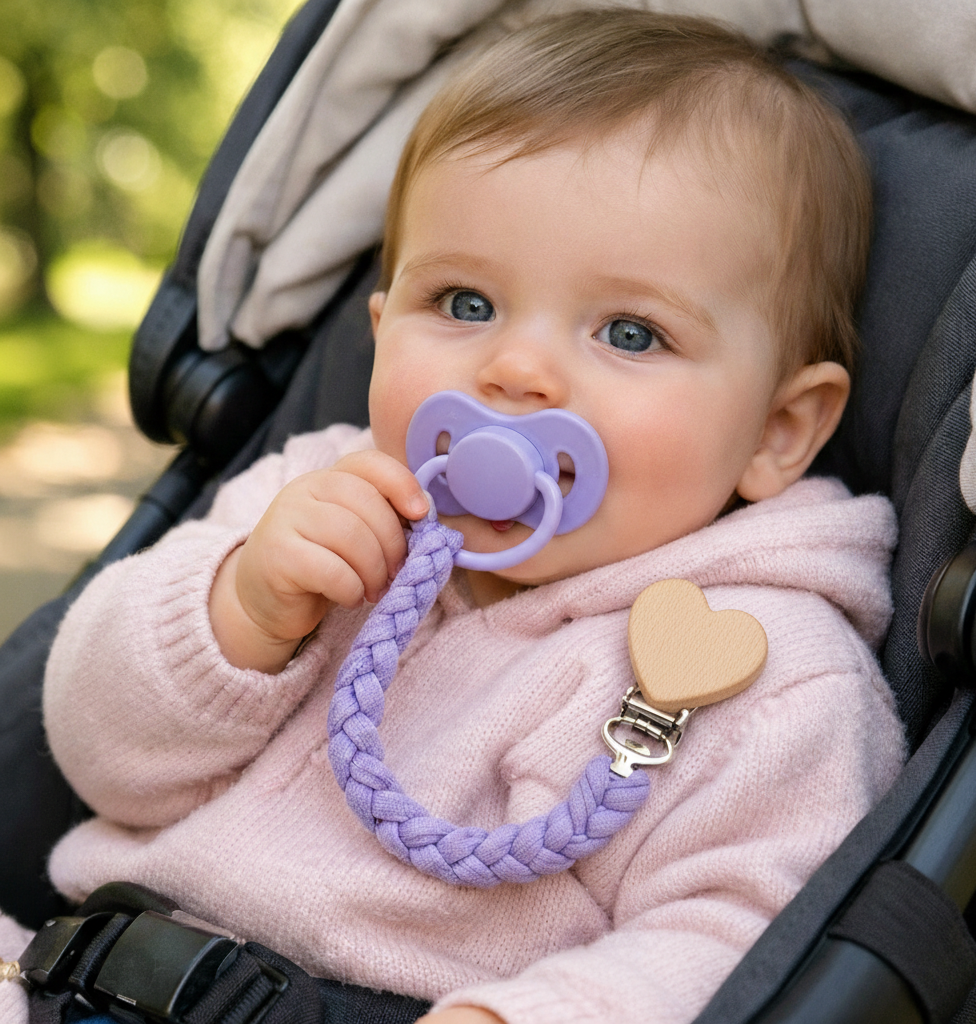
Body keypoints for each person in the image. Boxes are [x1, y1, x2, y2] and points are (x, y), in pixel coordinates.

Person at [2, 10, 906, 1024]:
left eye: (629, 331)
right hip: (79, 964)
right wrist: (238, 613)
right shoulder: (316, 496)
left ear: (777, 430)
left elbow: (743, 936)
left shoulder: (763, 667)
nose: (514, 369)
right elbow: (91, 752)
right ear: (383, 333)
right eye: (466, 304)